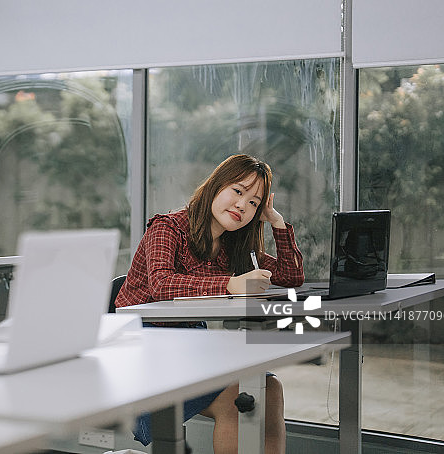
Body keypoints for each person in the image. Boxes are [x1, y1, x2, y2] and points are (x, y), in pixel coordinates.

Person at [115, 154, 304, 454]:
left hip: (191, 348)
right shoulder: (168, 227)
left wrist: (277, 222)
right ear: (216, 186)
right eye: (238, 191)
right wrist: (230, 284)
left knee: (269, 388)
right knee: (240, 396)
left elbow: (291, 276)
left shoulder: (233, 244)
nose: (242, 205)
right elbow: (161, 284)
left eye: (254, 203)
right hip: (143, 352)